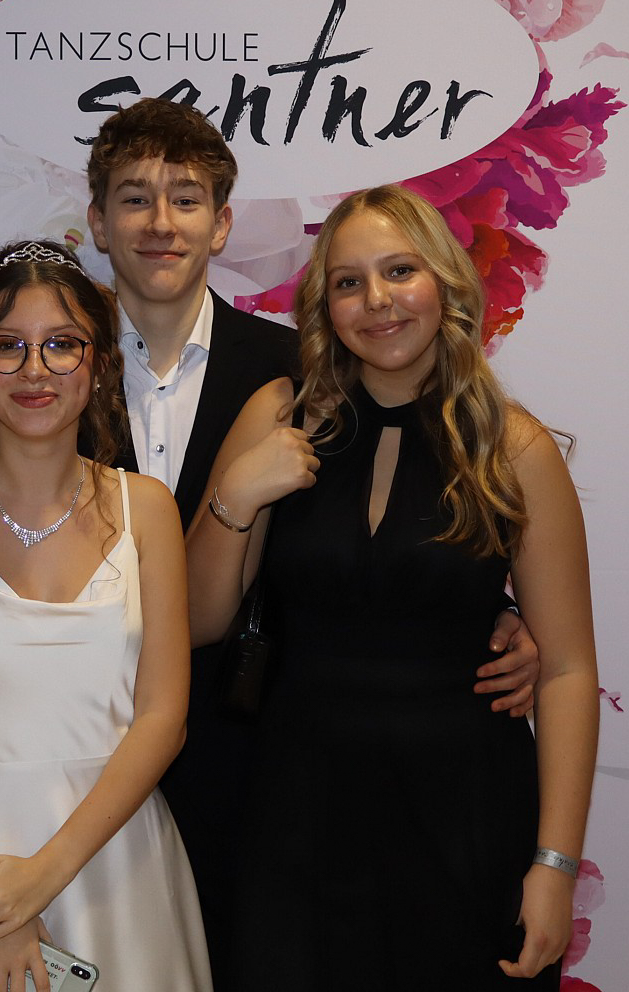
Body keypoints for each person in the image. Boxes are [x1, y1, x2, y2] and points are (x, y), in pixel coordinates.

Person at [83, 98, 541, 984]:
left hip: (253, 762)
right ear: (98, 223)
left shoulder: (300, 374)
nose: (161, 222)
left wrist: (494, 614)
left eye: (186, 199)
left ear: (222, 224)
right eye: (134, 198)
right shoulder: (40, 365)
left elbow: (400, 527)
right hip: (74, 742)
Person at [185, 184, 598, 988]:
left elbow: (568, 670)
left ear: (444, 282)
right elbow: (200, 620)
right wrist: (234, 495)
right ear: (325, 305)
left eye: (400, 270)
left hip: (465, 826)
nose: (377, 299)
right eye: (349, 281)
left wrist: (554, 865)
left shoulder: (514, 447)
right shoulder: (282, 417)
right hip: (293, 825)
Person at [0, 240, 211, 992]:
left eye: (61, 344)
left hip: (114, 852)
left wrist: (45, 876)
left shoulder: (147, 509)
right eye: (8, 346)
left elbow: (163, 718)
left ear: (99, 364)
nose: (34, 370)